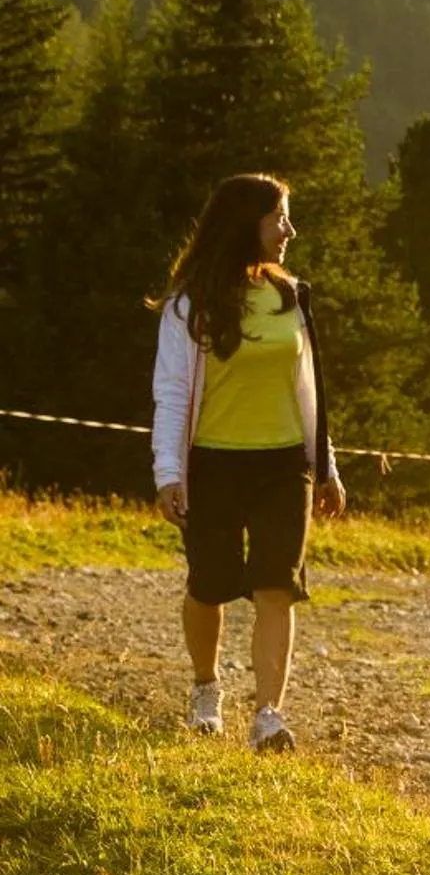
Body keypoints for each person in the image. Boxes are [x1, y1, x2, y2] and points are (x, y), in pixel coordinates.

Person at [150, 173, 346, 753]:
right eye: (279, 218)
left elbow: (309, 391)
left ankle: (268, 715)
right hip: (211, 464)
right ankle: (206, 688)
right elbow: (172, 392)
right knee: (208, 584)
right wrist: (168, 473)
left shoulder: (291, 296)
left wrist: (326, 467)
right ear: (246, 223)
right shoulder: (189, 305)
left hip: (284, 465)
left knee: (276, 586)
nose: (289, 230)